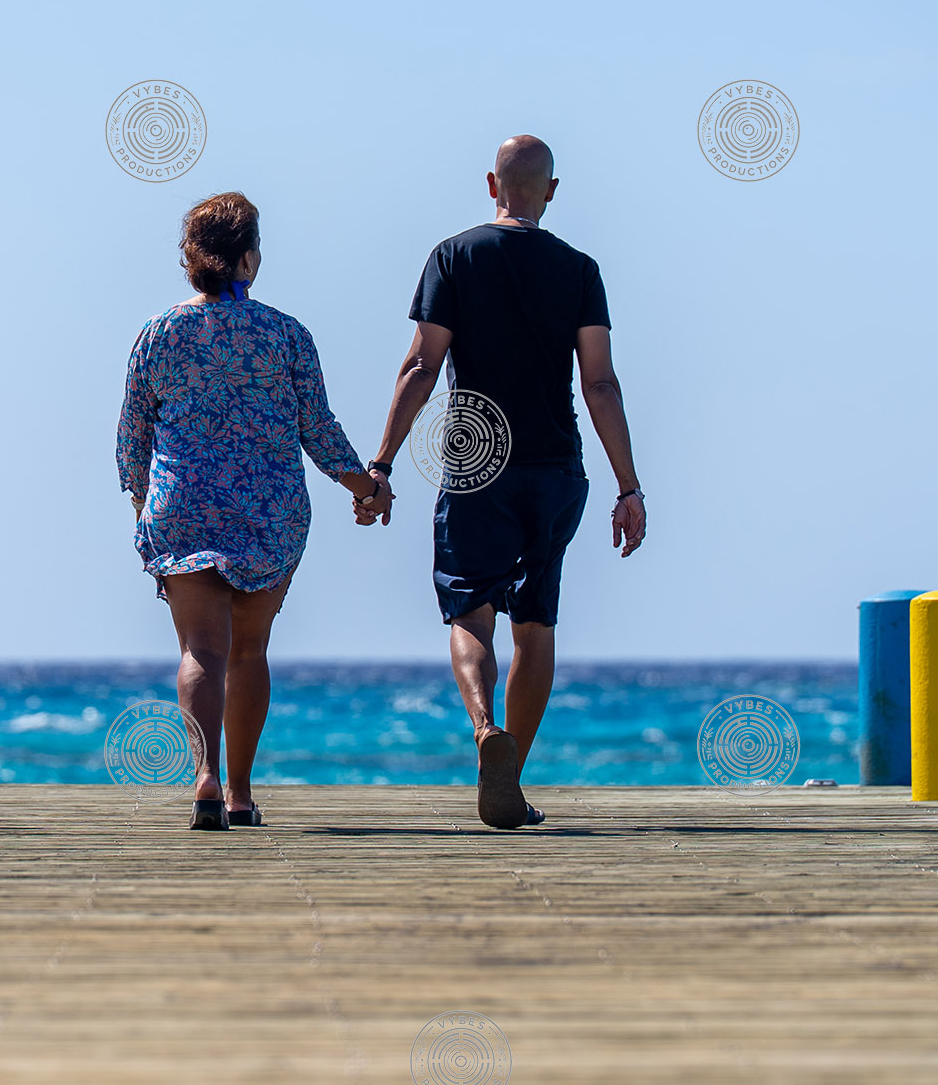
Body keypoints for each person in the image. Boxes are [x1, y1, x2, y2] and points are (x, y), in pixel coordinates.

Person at [362, 136, 645, 831]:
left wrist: (382, 463)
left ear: (493, 184)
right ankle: (512, 778)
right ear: (551, 190)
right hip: (555, 467)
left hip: (476, 462)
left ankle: (487, 728)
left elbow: (421, 368)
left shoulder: (454, 256)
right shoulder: (579, 269)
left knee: (469, 614)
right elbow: (600, 381)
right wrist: (629, 487)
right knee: (537, 623)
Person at [116, 192, 391, 830]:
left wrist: (142, 504)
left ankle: (204, 778)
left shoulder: (157, 333)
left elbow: (132, 436)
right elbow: (318, 430)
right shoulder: (287, 334)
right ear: (249, 260)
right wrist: (366, 486)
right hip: (268, 511)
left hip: (182, 504)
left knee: (200, 649)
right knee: (249, 652)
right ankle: (239, 794)